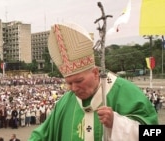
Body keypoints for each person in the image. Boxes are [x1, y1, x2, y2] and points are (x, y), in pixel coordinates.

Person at [28, 23, 158, 141]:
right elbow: (41, 135)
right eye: (69, 83)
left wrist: (117, 124)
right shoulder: (65, 102)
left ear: (95, 73)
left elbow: (155, 133)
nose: (73, 88)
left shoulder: (126, 92)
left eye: (79, 81)